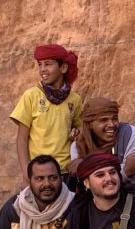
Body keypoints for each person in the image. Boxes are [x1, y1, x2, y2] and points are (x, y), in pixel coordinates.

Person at [11, 44, 83, 184]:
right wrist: (27, 173)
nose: (43, 69)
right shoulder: (31, 96)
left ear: (63, 68)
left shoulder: (74, 99)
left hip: (66, 172)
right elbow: (21, 139)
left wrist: (76, 133)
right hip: (40, 173)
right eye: (40, 65)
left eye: (48, 64)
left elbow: (82, 132)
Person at [69, 98, 135, 189]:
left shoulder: (130, 134)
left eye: (114, 118)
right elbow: (86, 185)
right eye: (103, 120)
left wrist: (89, 169)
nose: (111, 124)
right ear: (90, 124)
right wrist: (126, 171)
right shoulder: (78, 146)